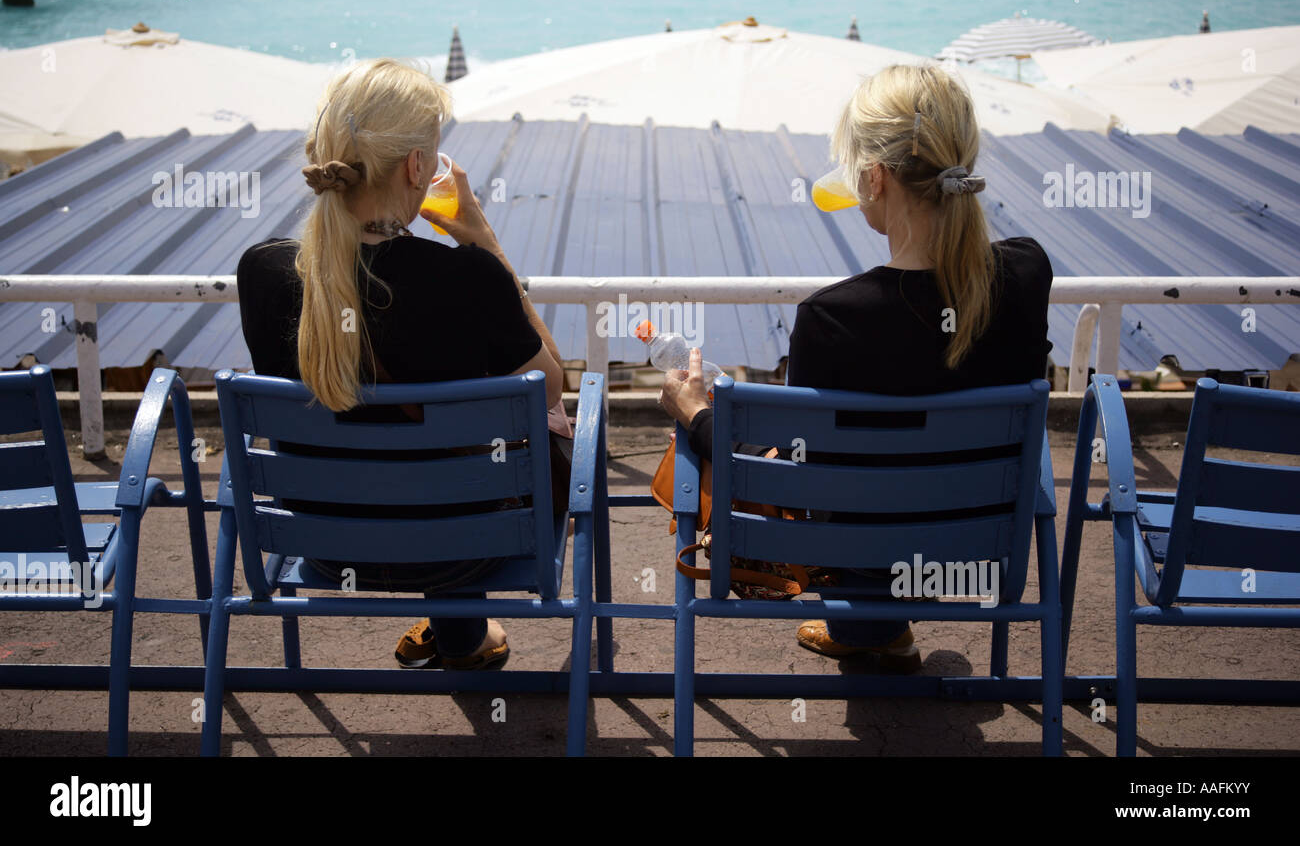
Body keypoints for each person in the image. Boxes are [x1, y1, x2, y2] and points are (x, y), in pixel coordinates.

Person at [658, 63, 1052, 671]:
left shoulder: (832, 317)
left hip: (858, 554)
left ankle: (867, 623)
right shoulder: (1027, 274)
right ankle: (876, 629)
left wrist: (698, 415)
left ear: (873, 178)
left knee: (804, 472)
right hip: (974, 547)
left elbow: (799, 466)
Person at [237, 58, 569, 671]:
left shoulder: (263, 273)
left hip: (323, 539)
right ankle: (463, 637)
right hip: (463, 546)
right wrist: (485, 243)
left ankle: (462, 635)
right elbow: (552, 388)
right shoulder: (468, 277)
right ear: (417, 166)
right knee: (514, 444)